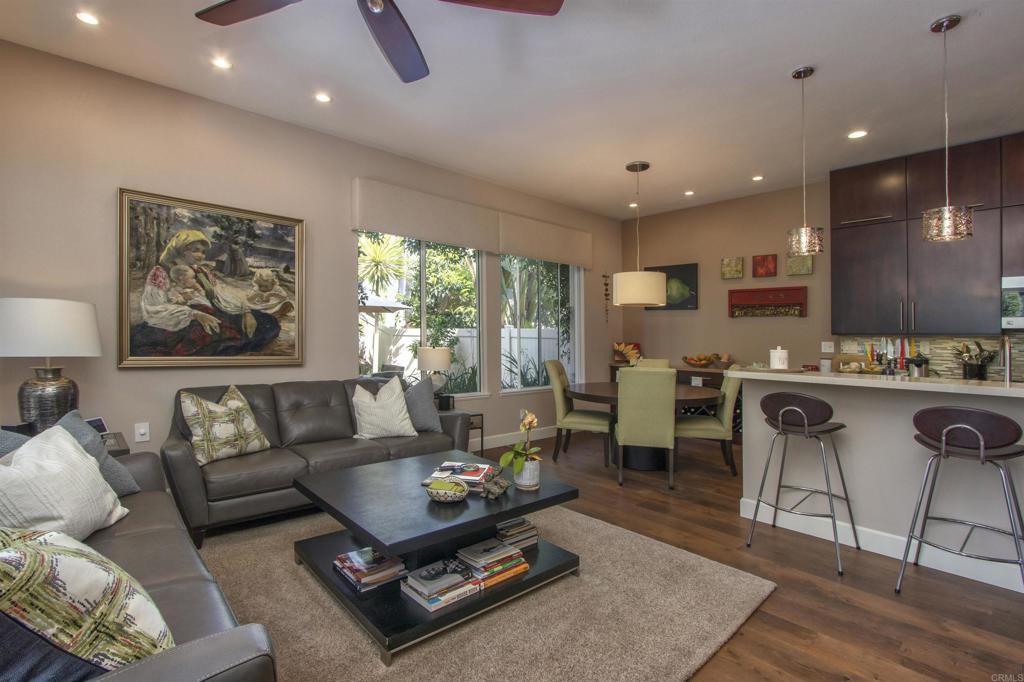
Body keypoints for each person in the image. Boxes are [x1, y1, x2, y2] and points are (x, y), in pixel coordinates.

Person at [130, 229, 281, 357]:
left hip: (211, 311)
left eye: (203, 252)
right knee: (205, 334)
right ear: (181, 249)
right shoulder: (161, 272)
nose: (201, 256)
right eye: (195, 250)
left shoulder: (201, 271)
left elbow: (220, 295)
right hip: (178, 319)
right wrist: (194, 314)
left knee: (267, 322)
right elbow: (153, 306)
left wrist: (245, 311)